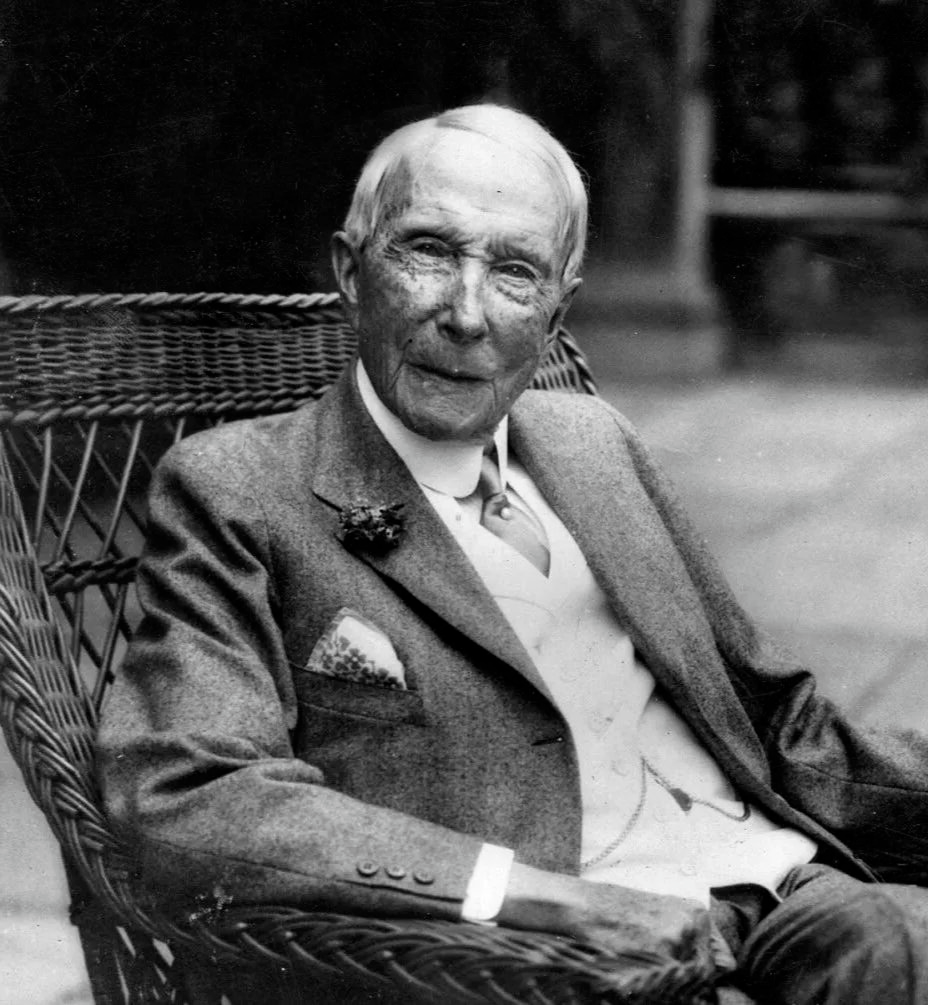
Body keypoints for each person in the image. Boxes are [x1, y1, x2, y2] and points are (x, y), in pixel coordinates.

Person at [98, 104, 928, 1005]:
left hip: (769, 879)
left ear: (557, 310)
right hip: (528, 955)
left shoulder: (593, 442)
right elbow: (189, 790)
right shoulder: (239, 488)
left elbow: (771, 716)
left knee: (900, 941)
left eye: (514, 273)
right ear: (351, 271)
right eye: (427, 251)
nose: (466, 313)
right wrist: (535, 898)